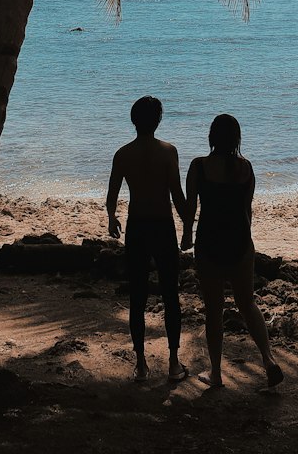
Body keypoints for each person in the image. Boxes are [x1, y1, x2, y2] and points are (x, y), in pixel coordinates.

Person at [182, 113, 283, 390]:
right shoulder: (246, 168)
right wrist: (246, 243)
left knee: (214, 310)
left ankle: (216, 373)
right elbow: (247, 210)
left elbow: (191, 208)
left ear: (211, 137)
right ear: (237, 138)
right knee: (247, 303)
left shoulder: (199, 167)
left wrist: (186, 235)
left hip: (210, 242)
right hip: (240, 242)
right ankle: (269, 359)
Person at [106, 95, 189, 383]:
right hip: (163, 226)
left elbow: (112, 196)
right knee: (170, 296)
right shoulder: (169, 151)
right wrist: (189, 224)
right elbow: (176, 194)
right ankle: (174, 362)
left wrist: (111, 218)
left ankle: (141, 363)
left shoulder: (123, 153)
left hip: (137, 226)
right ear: (158, 120)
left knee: (138, 296)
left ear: (133, 120)